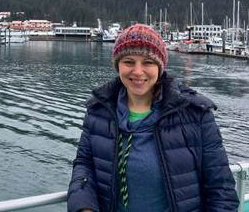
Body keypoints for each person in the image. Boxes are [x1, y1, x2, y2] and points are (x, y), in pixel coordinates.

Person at [67, 24, 239, 212]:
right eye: (129, 62)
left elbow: (221, 189)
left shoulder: (195, 114)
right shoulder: (99, 110)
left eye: (148, 62)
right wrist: (84, 207)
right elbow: (85, 165)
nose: (138, 71)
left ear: (160, 66)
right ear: (118, 65)